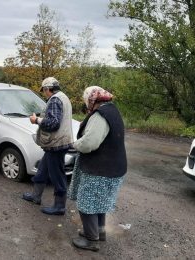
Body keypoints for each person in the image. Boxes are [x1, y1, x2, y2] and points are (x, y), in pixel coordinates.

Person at [68, 86, 127, 252]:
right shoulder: (112, 110)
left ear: (92, 100)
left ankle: (91, 239)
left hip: (100, 169)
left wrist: (74, 145)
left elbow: (90, 143)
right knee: (98, 202)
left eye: (87, 101)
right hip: (113, 167)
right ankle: (98, 232)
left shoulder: (100, 115)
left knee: (86, 203)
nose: (87, 104)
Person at [22, 77, 74, 215]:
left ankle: (59, 206)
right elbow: (57, 117)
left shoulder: (55, 100)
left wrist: (36, 120)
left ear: (47, 89)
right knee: (43, 169)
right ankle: (35, 196)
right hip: (59, 142)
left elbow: (53, 123)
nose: (44, 93)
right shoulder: (63, 97)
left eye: (44, 90)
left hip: (56, 144)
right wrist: (43, 115)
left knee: (57, 175)